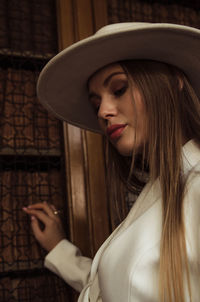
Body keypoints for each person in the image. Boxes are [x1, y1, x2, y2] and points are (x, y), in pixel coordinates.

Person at [23, 22, 200, 302]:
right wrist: (60, 250)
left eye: (119, 89)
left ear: (173, 79)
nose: (104, 111)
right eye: (96, 105)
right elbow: (117, 287)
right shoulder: (158, 189)